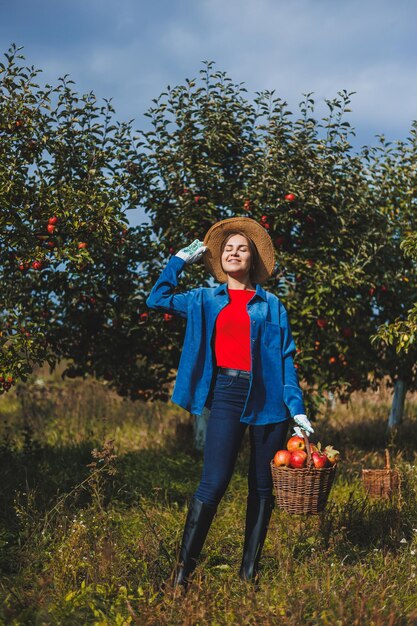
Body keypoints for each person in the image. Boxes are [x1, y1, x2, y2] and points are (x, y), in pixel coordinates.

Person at [146, 217, 313, 587]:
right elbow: (155, 299)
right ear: (220, 260)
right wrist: (178, 261)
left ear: (252, 260)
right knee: (213, 483)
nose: (234, 253)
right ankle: (181, 574)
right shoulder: (204, 299)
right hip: (226, 393)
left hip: (271, 402)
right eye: (228, 249)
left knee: (262, 488)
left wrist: (296, 406)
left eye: (242, 249)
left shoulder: (272, 306)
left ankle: (248, 573)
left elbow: (286, 359)